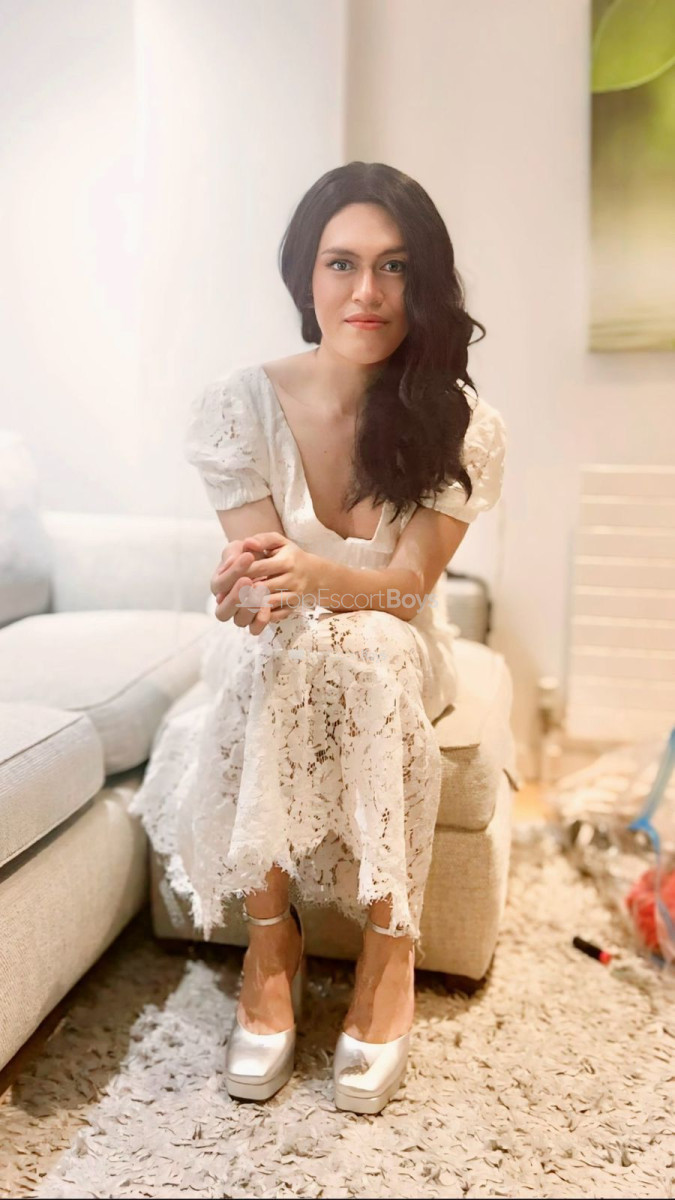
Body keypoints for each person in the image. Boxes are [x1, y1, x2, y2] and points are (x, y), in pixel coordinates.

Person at [129, 161, 506, 1114]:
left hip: (397, 640)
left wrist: (316, 577)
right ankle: (270, 942)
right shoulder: (237, 405)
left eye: (394, 266)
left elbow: (407, 592)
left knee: (365, 650)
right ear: (306, 274)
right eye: (342, 263)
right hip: (283, 639)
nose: (366, 291)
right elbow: (266, 585)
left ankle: (389, 950)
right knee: (273, 649)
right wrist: (247, 594)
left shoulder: (463, 424)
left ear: (424, 282)